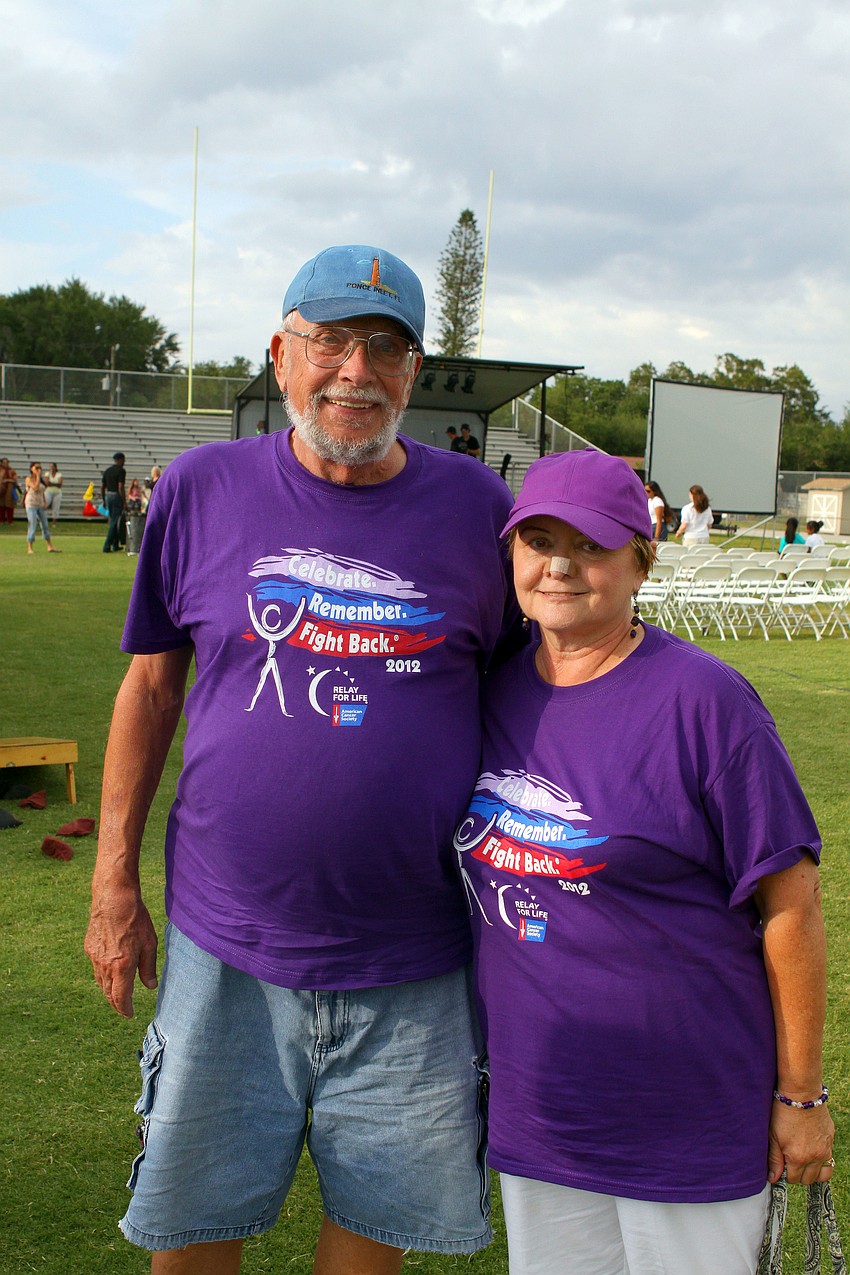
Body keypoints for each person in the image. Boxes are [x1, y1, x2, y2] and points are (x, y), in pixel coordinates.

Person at [85, 243, 521, 1275]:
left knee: (372, 1239)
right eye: (329, 342)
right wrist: (112, 885)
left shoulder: (479, 512)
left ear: (416, 373)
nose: (355, 372)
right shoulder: (200, 489)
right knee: (191, 1229)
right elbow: (150, 690)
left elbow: (529, 700)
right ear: (281, 353)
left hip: (416, 958)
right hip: (223, 946)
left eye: (385, 348)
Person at [455, 449, 833, 1275]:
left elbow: (791, 904)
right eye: (537, 540)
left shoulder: (707, 702)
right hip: (542, 1115)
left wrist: (801, 1095)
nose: (558, 565)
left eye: (588, 545)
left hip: (686, 1116)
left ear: (640, 559)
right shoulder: (490, 692)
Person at [24, 462, 60, 554]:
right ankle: (30, 547)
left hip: (40, 504)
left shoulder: (41, 479)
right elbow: (35, 488)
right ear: (31, 468)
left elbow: (42, 490)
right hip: (31, 504)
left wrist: (44, 502)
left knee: (45, 524)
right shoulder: (29, 479)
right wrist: (37, 477)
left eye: (40, 467)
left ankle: (49, 545)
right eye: (36, 467)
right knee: (33, 524)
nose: (38, 469)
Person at [101, 452, 127, 553]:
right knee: (115, 521)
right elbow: (120, 487)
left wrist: (104, 499)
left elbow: (102, 486)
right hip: (116, 496)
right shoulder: (121, 471)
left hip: (109, 495)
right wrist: (124, 501)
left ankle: (116, 544)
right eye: (124, 460)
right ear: (120, 460)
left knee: (113, 519)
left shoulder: (108, 471)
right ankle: (107, 545)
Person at [0, 457, 18, 524]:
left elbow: (15, 480)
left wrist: (7, 480)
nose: (5, 464)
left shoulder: (11, 470)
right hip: (1, 488)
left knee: (9, 504)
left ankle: (9, 520)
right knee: (1, 504)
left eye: (7, 463)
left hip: (9, 487)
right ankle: (1, 520)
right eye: (4, 463)